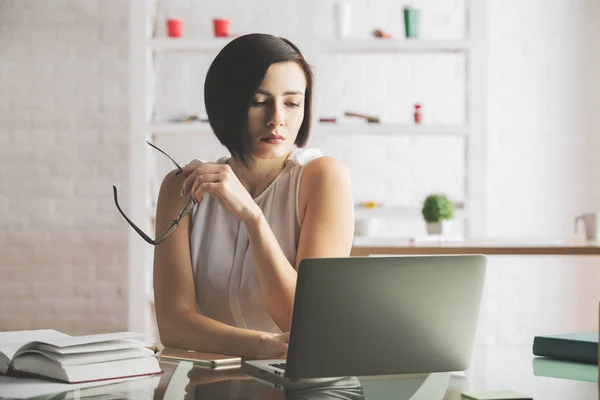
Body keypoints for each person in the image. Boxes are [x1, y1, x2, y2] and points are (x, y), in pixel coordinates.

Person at [152, 33, 354, 359]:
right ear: (227, 105)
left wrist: (253, 217)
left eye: (291, 103)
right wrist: (260, 345)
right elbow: (174, 326)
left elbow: (304, 321)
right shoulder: (181, 189)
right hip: (205, 385)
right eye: (259, 101)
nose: (277, 118)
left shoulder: (323, 178)